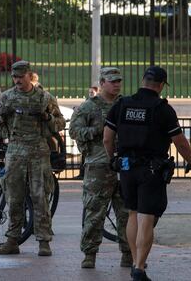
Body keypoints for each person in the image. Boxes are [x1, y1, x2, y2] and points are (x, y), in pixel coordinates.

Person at [103, 66, 191, 281]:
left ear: (142, 80)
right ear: (162, 85)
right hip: (151, 170)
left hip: (126, 168)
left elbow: (107, 138)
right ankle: (138, 268)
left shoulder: (122, 104)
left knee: (133, 213)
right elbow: (180, 142)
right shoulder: (162, 109)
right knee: (147, 217)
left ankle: (137, 261)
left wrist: (113, 160)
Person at [0, 60, 65, 256]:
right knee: (14, 197)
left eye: (21, 76)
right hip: (15, 151)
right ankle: (12, 240)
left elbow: (60, 123)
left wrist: (47, 118)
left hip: (38, 151)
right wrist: (2, 116)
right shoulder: (6, 98)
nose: (17, 80)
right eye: (14, 76)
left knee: (40, 197)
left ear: (30, 76)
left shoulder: (44, 98)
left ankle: (43, 241)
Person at [68, 67, 131, 269]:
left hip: (123, 164)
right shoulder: (89, 107)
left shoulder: (125, 105)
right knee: (94, 211)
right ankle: (89, 254)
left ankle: (128, 254)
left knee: (126, 213)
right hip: (98, 165)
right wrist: (99, 130)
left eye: (118, 81)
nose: (116, 84)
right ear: (102, 83)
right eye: (112, 81)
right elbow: (74, 131)